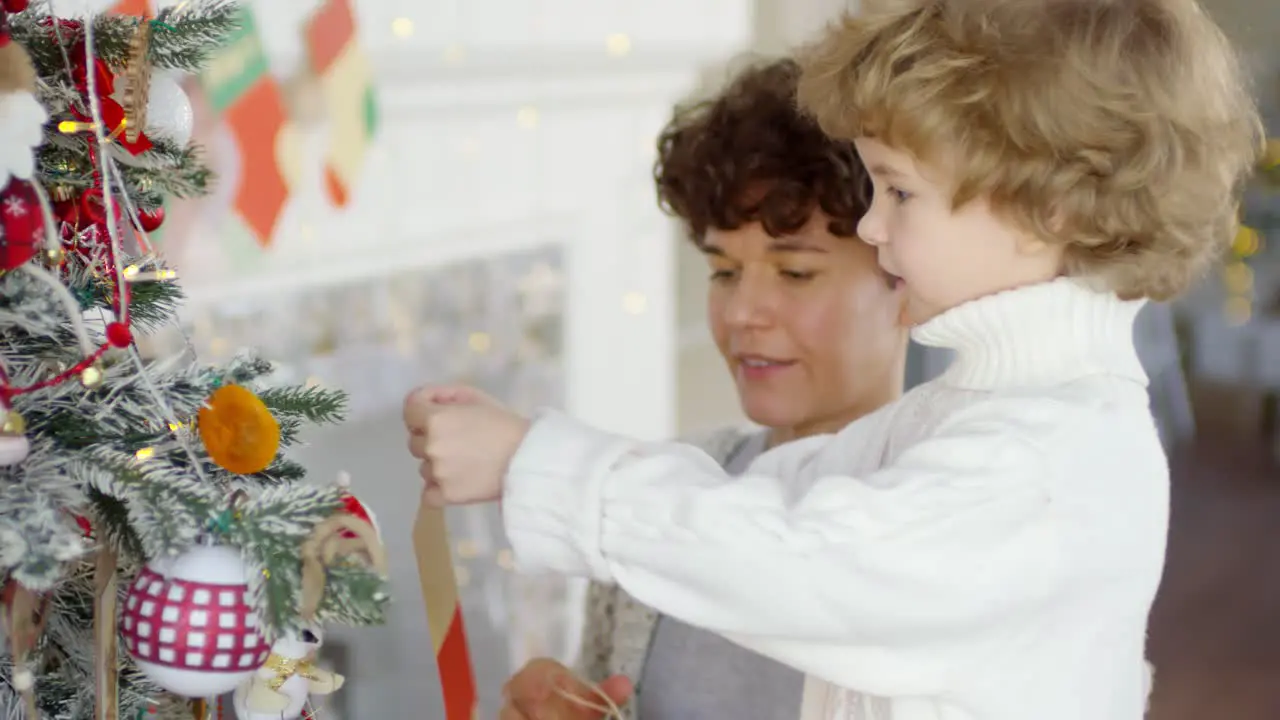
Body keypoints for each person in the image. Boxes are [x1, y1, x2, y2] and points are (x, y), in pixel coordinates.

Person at [404, 0, 1262, 718]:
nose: (877, 227)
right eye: (722, 269)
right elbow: (766, 502)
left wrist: (531, 460)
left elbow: (796, 559)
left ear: (1051, 211)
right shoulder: (967, 415)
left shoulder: (1051, 458)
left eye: (898, 193)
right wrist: (532, 459)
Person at [493, 57, 908, 720]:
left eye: (794, 273)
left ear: (907, 278)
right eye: (723, 271)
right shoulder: (660, 486)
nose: (743, 312)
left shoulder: (945, 521)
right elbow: (601, 688)